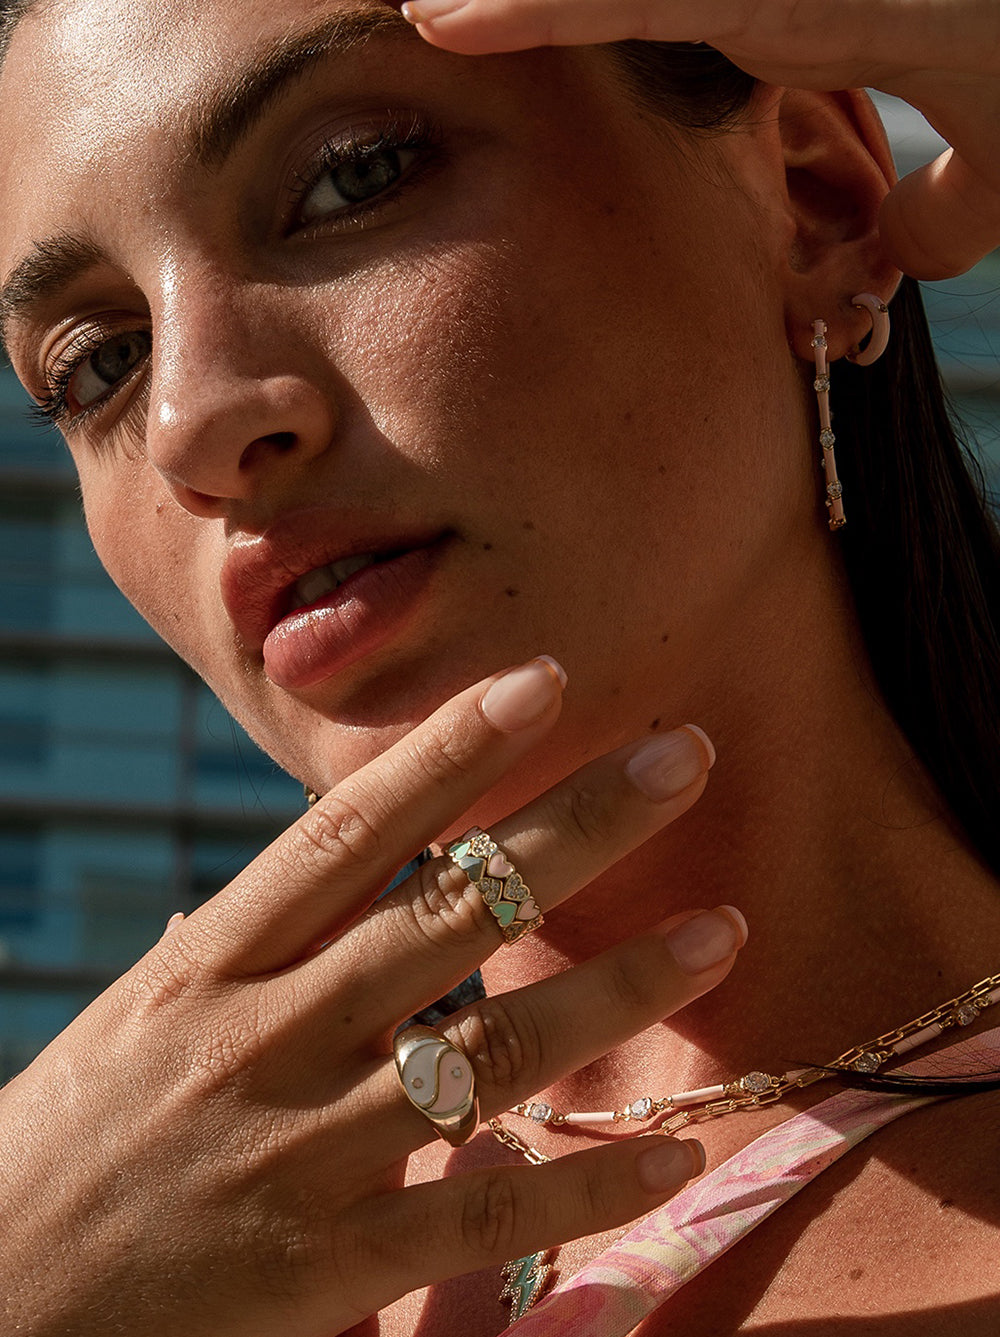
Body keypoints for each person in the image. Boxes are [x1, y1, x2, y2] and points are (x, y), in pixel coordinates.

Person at [0, 0, 998, 1332]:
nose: (188, 422)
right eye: (99, 365)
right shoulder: (149, 1257)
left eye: (354, 176)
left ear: (812, 200)